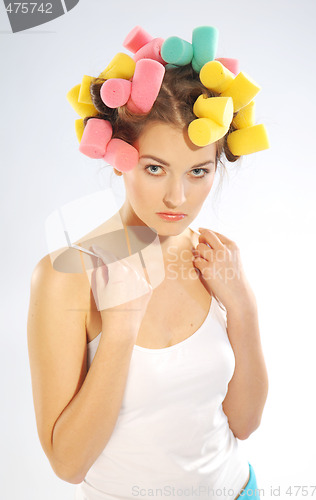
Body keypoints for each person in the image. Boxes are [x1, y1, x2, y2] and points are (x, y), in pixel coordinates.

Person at [27, 25, 269, 500]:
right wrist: (120, 330)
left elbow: (244, 423)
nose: (177, 197)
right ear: (120, 156)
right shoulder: (66, 277)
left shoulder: (215, 259)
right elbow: (68, 464)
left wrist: (243, 309)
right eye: (155, 168)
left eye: (198, 171)